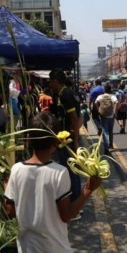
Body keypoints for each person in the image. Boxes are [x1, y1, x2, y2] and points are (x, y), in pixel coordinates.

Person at [4, 112, 101, 253]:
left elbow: (9, 211)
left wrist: (7, 189)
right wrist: (87, 190)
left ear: (28, 139)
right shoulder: (59, 173)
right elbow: (66, 215)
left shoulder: (17, 171)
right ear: (56, 142)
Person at [48, 69, 82, 211]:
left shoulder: (66, 95)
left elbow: (74, 118)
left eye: (50, 81)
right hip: (66, 138)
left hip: (66, 140)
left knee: (71, 171)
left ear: (56, 81)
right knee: (71, 170)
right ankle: (75, 202)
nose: (49, 84)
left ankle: (75, 205)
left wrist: (74, 141)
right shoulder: (66, 93)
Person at [95, 83, 117, 155]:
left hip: (103, 116)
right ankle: (111, 144)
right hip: (111, 116)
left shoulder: (100, 96)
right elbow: (117, 102)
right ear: (110, 89)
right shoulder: (112, 96)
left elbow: (95, 102)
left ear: (104, 90)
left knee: (104, 132)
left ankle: (106, 148)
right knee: (111, 131)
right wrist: (114, 111)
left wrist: (98, 109)